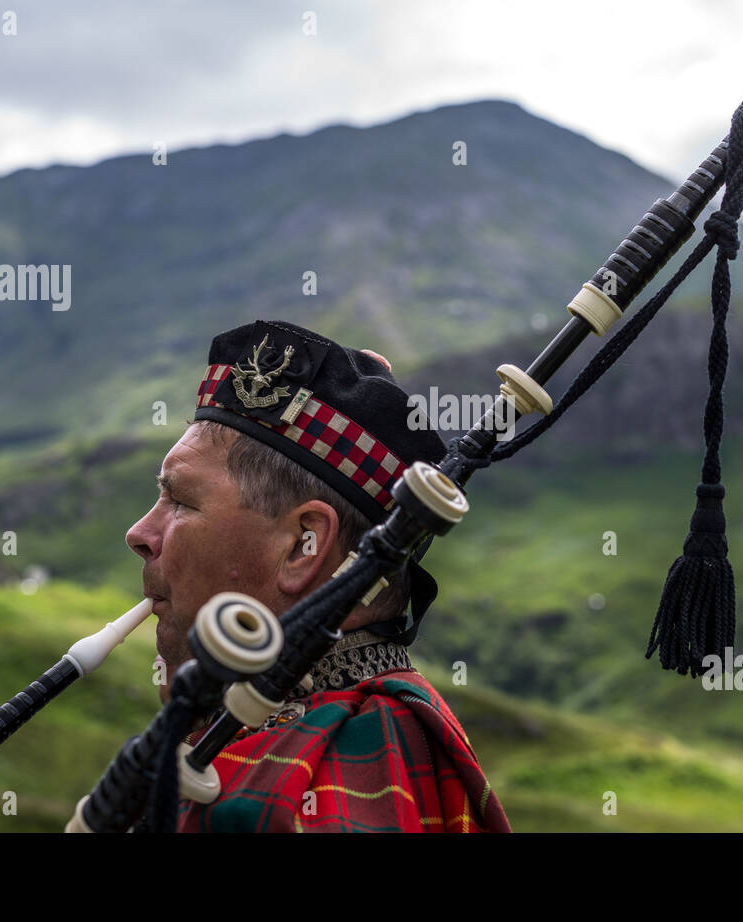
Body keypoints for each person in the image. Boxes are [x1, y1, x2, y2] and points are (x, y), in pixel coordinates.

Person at [124, 319, 510, 833]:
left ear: (303, 545)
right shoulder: (260, 725)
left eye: (181, 501)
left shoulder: (354, 767)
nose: (139, 534)